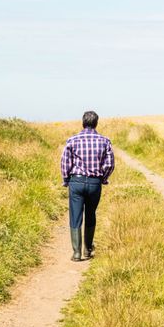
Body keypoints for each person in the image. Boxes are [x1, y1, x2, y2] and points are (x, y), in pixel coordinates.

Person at [60, 110, 115, 261]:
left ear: (83, 123)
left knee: (75, 216)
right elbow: (109, 164)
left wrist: (66, 180)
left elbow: (65, 163)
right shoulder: (105, 141)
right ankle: (88, 249)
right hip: (94, 183)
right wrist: (103, 178)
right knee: (91, 214)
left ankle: (76, 253)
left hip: (76, 182)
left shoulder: (72, 140)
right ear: (96, 123)